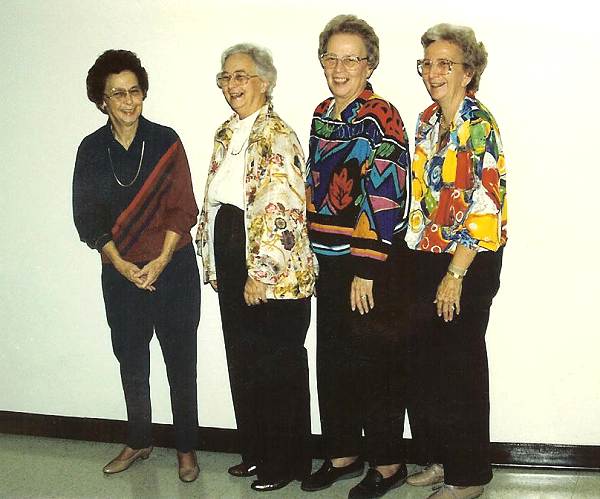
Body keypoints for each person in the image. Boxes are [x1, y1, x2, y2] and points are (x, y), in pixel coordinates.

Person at [72, 49, 200, 482]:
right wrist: (121, 264)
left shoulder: (166, 140)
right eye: (117, 94)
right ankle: (139, 439)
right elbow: (86, 216)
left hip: (174, 268)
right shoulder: (91, 150)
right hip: (121, 272)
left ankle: (186, 449)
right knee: (131, 360)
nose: (128, 101)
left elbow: (183, 208)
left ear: (143, 93)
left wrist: (161, 260)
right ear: (102, 100)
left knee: (181, 363)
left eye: (134, 91)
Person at [196, 43, 317, 493]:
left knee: (277, 368)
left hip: (272, 270)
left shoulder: (277, 135)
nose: (232, 86)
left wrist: (260, 272)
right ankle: (258, 453)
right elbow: (215, 202)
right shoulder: (227, 132)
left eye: (241, 76)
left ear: (264, 82)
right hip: (233, 257)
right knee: (244, 363)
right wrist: (212, 260)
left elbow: (282, 209)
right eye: (226, 77)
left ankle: (286, 462)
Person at [300, 15, 412, 499]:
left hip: (370, 263)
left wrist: (365, 266)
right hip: (327, 260)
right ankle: (343, 452)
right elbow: (314, 187)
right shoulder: (322, 112)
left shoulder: (382, 115)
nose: (340, 67)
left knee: (374, 366)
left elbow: (386, 195)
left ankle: (388, 465)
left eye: (352, 58)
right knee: (335, 362)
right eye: (332, 57)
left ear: (370, 64)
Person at [404, 23, 507, 499]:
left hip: (470, 259)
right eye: (428, 63)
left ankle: (468, 477)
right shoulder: (427, 120)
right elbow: (423, 201)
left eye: (446, 63)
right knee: (430, 367)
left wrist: (455, 274)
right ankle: (443, 459)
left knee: (461, 367)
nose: (433, 72)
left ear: (469, 71)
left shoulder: (479, 123)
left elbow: (484, 206)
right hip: (428, 254)